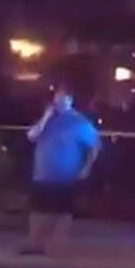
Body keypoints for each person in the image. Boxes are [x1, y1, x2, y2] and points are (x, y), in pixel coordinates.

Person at [23, 85, 100, 256]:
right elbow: (31, 136)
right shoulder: (48, 119)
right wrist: (45, 117)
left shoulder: (79, 121)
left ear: (70, 100)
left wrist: (85, 168)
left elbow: (93, 146)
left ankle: (57, 247)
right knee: (38, 211)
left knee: (62, 212)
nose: (58, 102)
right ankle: (35, 245)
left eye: (63, 98)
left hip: (65, 174)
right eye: (57, 98)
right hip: (42, 173)